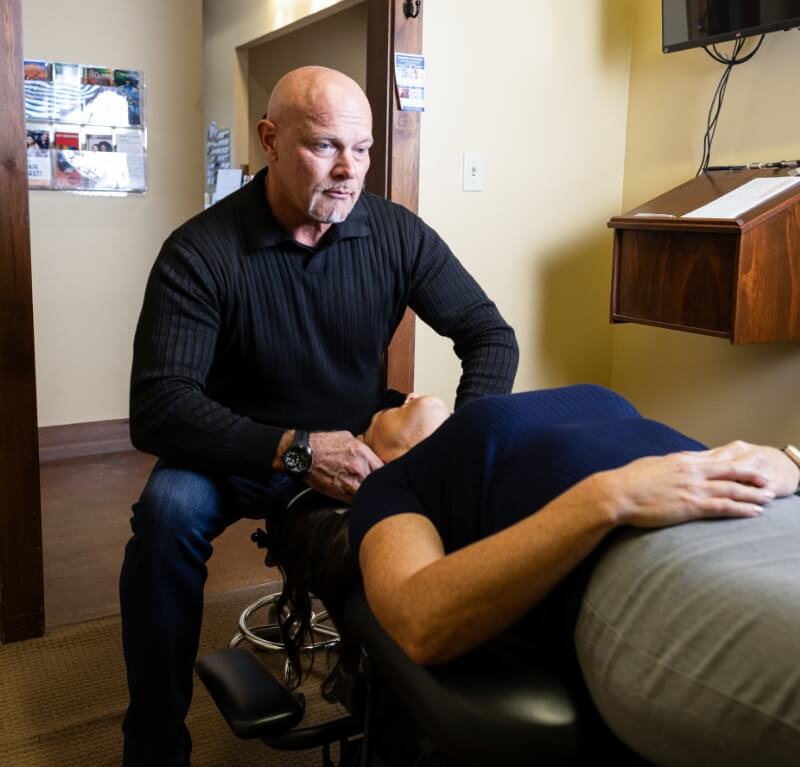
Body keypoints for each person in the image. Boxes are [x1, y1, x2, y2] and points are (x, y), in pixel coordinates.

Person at [120, 65, 518, 766]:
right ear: (270, 141)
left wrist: (470, 440)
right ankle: (153, 741)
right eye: (325, 145)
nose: (348, 169)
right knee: (165, 514)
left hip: (359, 441)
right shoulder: (201, 251)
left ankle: (403, 718)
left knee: (452, 512)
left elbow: (490, 334)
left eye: (361, 149)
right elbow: (158, 408)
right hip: (236, 449)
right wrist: (298, 449)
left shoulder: (395, 234)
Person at [270, 385, 800, 762]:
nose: (407, 395)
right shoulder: (392, 489)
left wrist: (786, 463)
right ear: (369, 456)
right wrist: (608, 497)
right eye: (384, 410)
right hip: (658, 566)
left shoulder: (546, 406)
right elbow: (418, 617)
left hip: (773, 511)